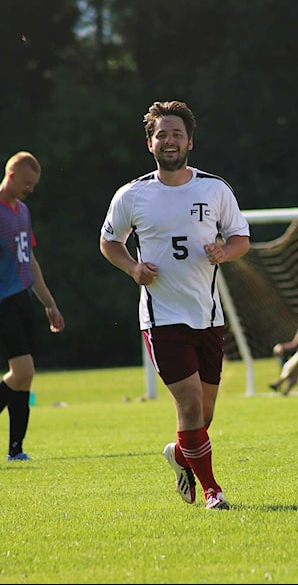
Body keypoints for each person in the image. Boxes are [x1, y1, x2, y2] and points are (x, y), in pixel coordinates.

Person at [100, 100, 250, 510]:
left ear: (190, 141)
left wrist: (224, 251)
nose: (170, 140)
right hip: (162, 316)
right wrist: (133, 268)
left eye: (176, 134)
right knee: (189, 404)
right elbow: (109, 242)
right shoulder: (132, 195)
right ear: (150, 143)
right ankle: (212, 490)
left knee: (205, 413)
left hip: (208, 314)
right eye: (162, 134)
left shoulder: (214, 189)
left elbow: (240, 239)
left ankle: (181, 457)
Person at [0, 151, 66, 463]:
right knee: (22, 370)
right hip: (0, 302)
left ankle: (15, 450)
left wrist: (49, 303)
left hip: (22, 299)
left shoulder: (22, 211)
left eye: (34, 184)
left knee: (25, 377)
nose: (31, 189)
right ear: (10, 176)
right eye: (27, 183)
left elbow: (30, 261)